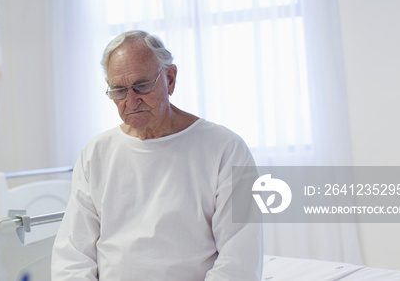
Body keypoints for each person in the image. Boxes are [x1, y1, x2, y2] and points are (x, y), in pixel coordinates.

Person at [51, 30, 262, 280]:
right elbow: (73, 256)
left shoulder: (226, 149)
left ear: (170, 79)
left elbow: (239, 259)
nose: (131, 101)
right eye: (118, 90)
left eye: (141, 86)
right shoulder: (95, 154)